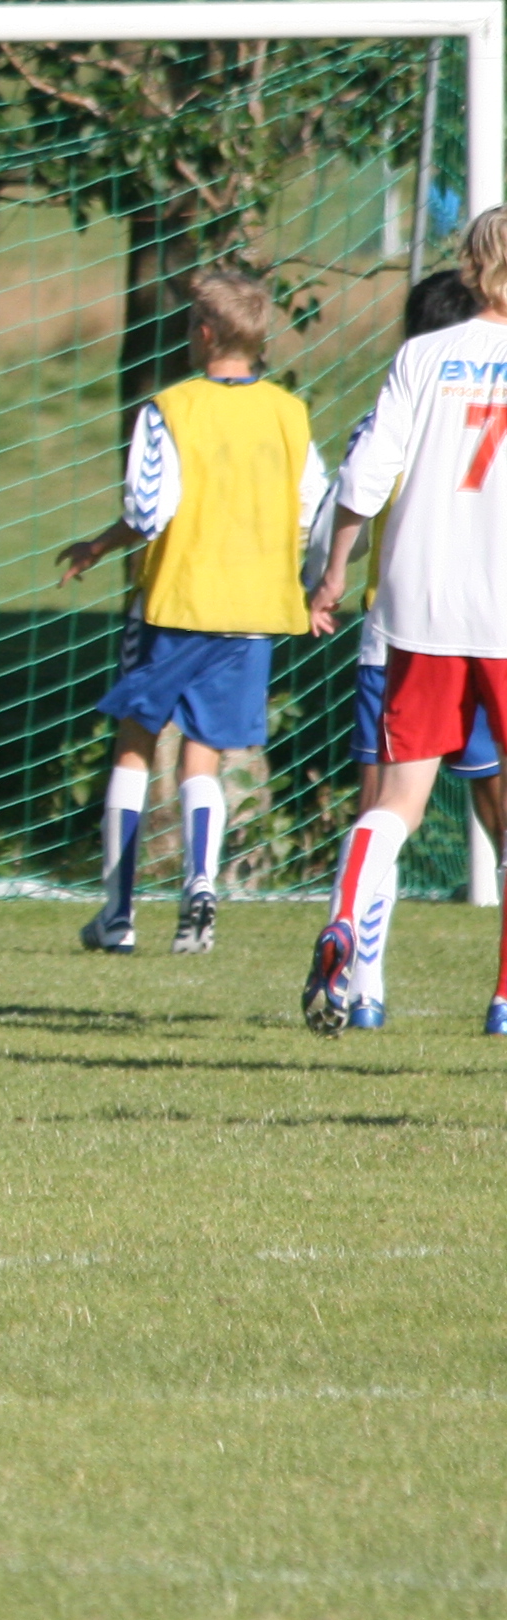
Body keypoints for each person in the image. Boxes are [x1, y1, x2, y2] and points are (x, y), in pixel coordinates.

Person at [55, 261, 327, 956]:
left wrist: (97, 545)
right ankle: (200, 891)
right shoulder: (289, 413)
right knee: (203, 756)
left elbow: (149, 511)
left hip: (178, 603)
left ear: (204, 333)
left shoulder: (170, 409)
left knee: (135, 744)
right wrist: (309, 587)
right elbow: (313, 510)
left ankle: (118, 914)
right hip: (253, 611)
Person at [303, 206, 507, 1034]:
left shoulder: (422, 355)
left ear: (469, 266)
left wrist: (333, 574)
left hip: (418, 607)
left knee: (396, 800)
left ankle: (346, 922)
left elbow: (365, 475)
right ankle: (505, 997)